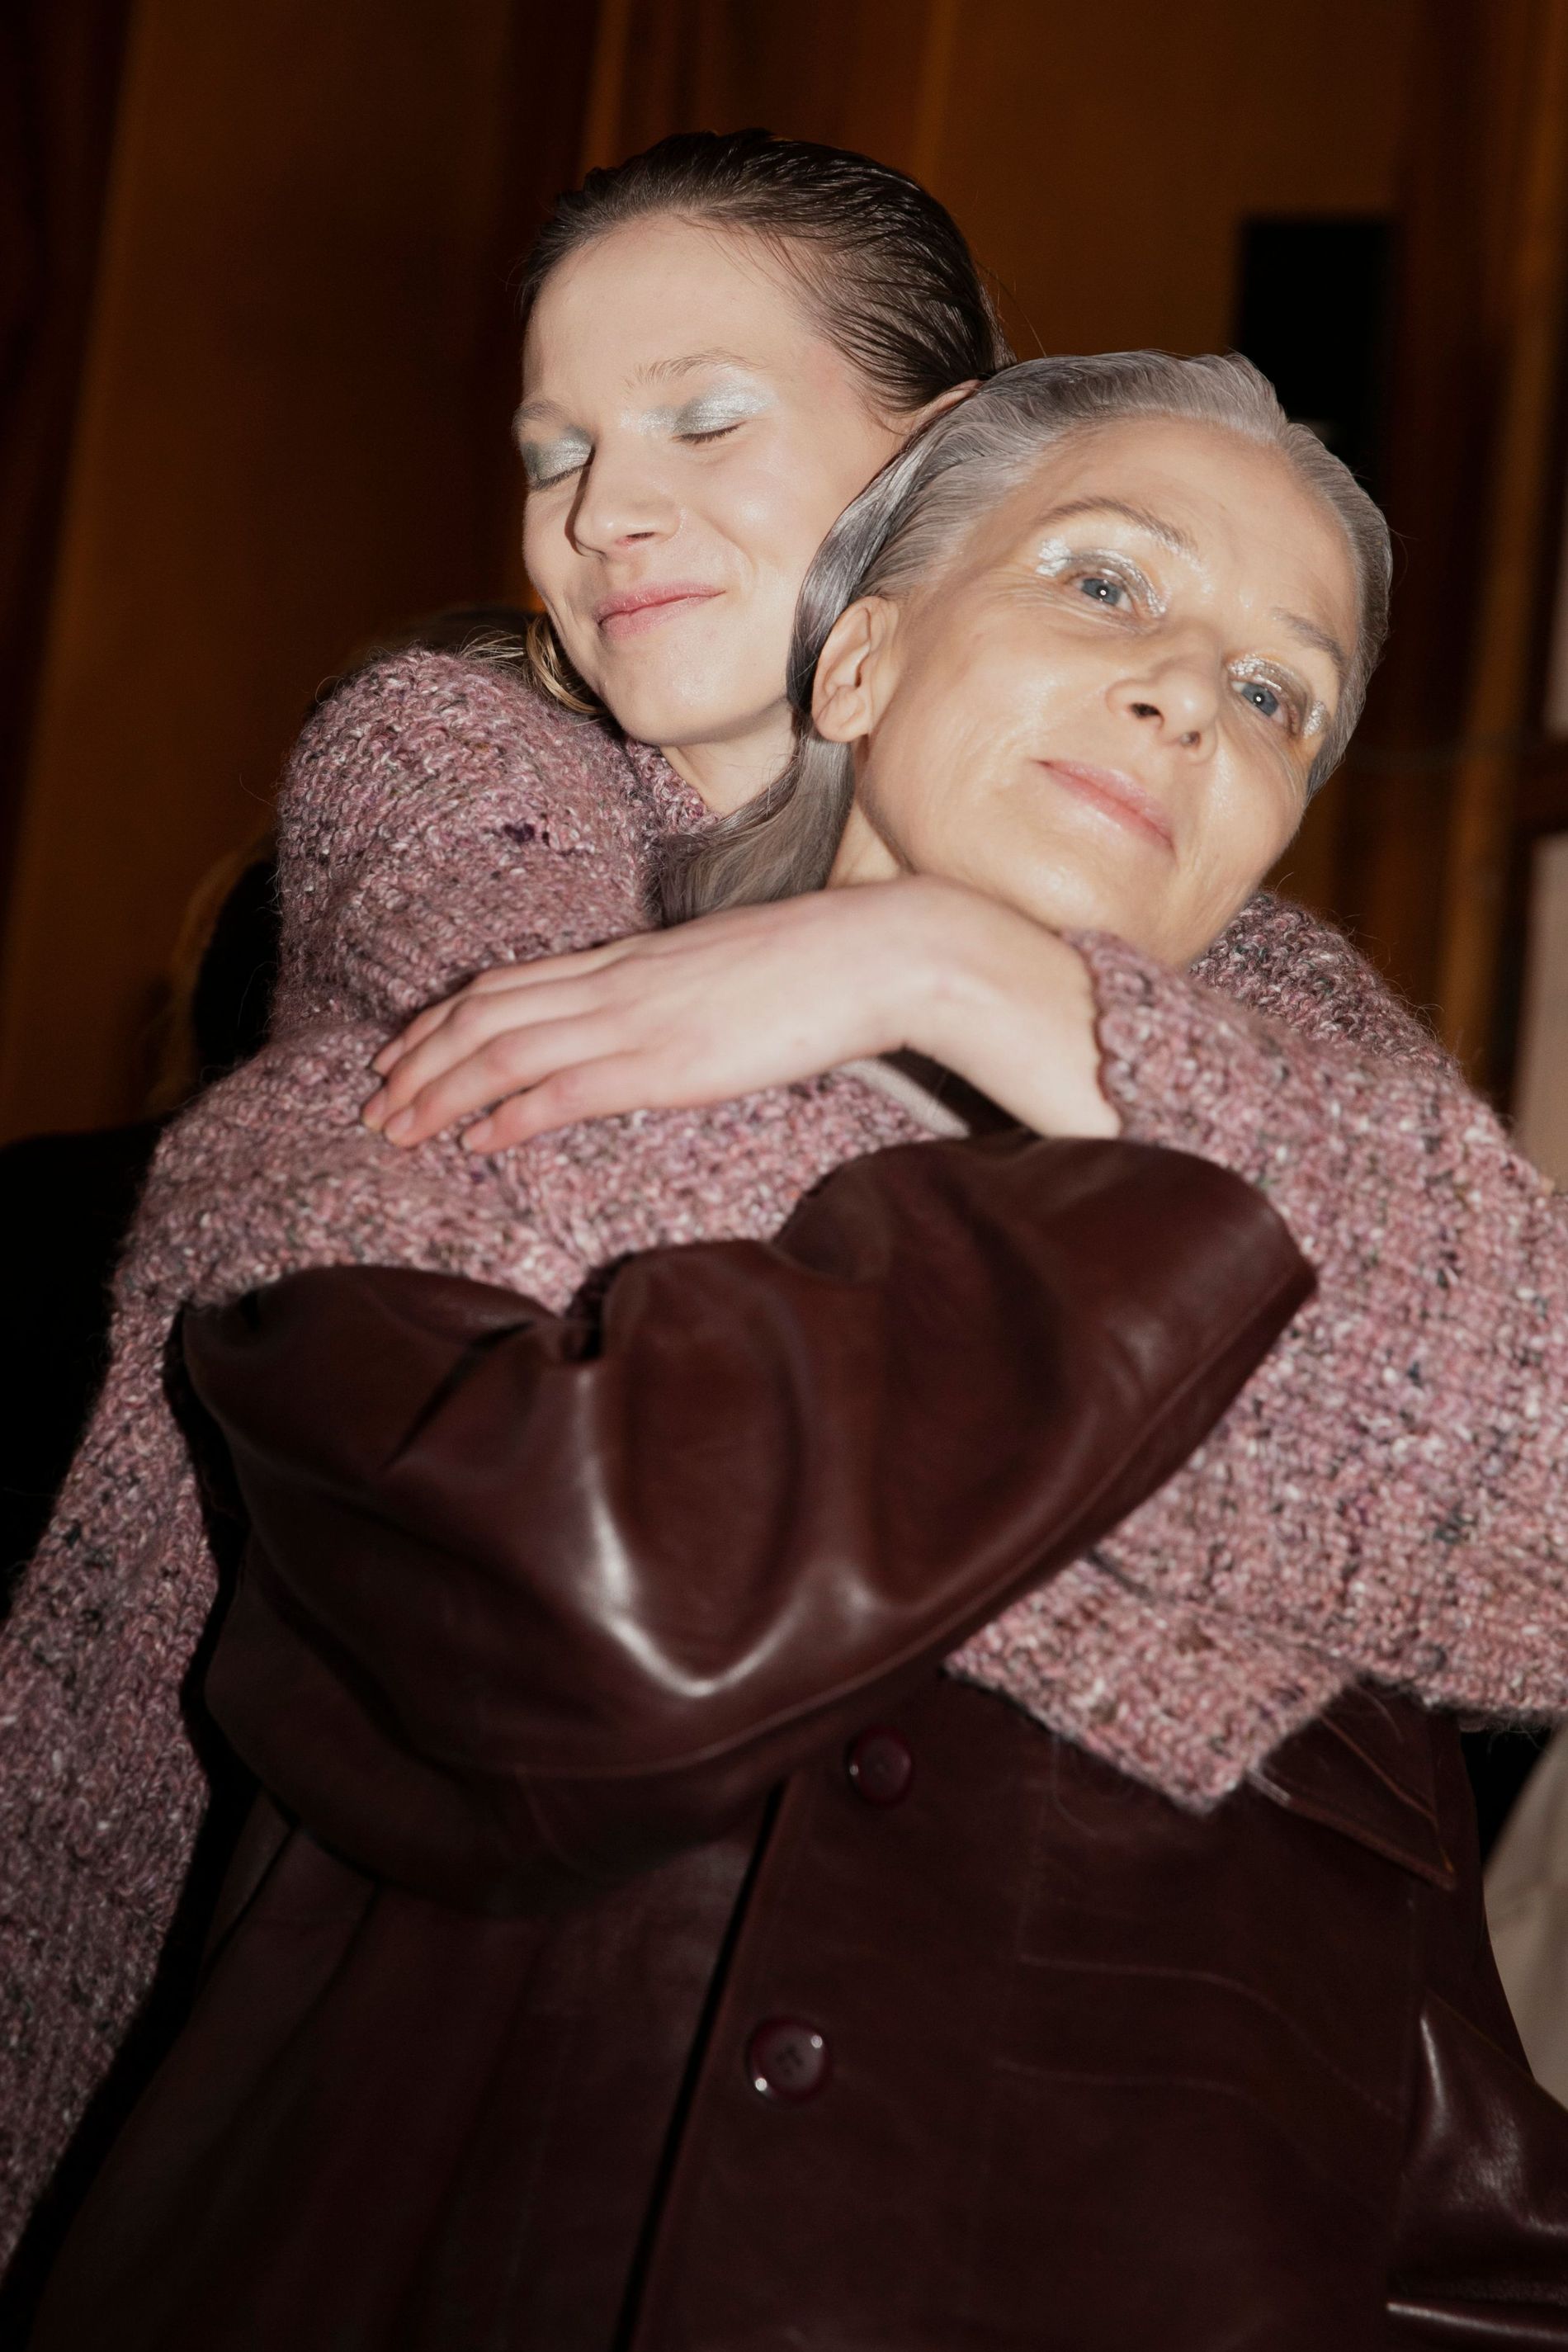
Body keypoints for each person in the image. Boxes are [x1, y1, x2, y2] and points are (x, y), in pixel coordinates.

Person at [19, 349, 1568, 2350]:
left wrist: (962, 969)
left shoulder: (1387, 1386)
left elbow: (1425, 2172)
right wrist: (1108, 1134)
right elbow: (583, 1646)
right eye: (1106, 583)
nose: (1194, 691)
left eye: (1280, 697)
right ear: (856, 667)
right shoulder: (411, 1120)